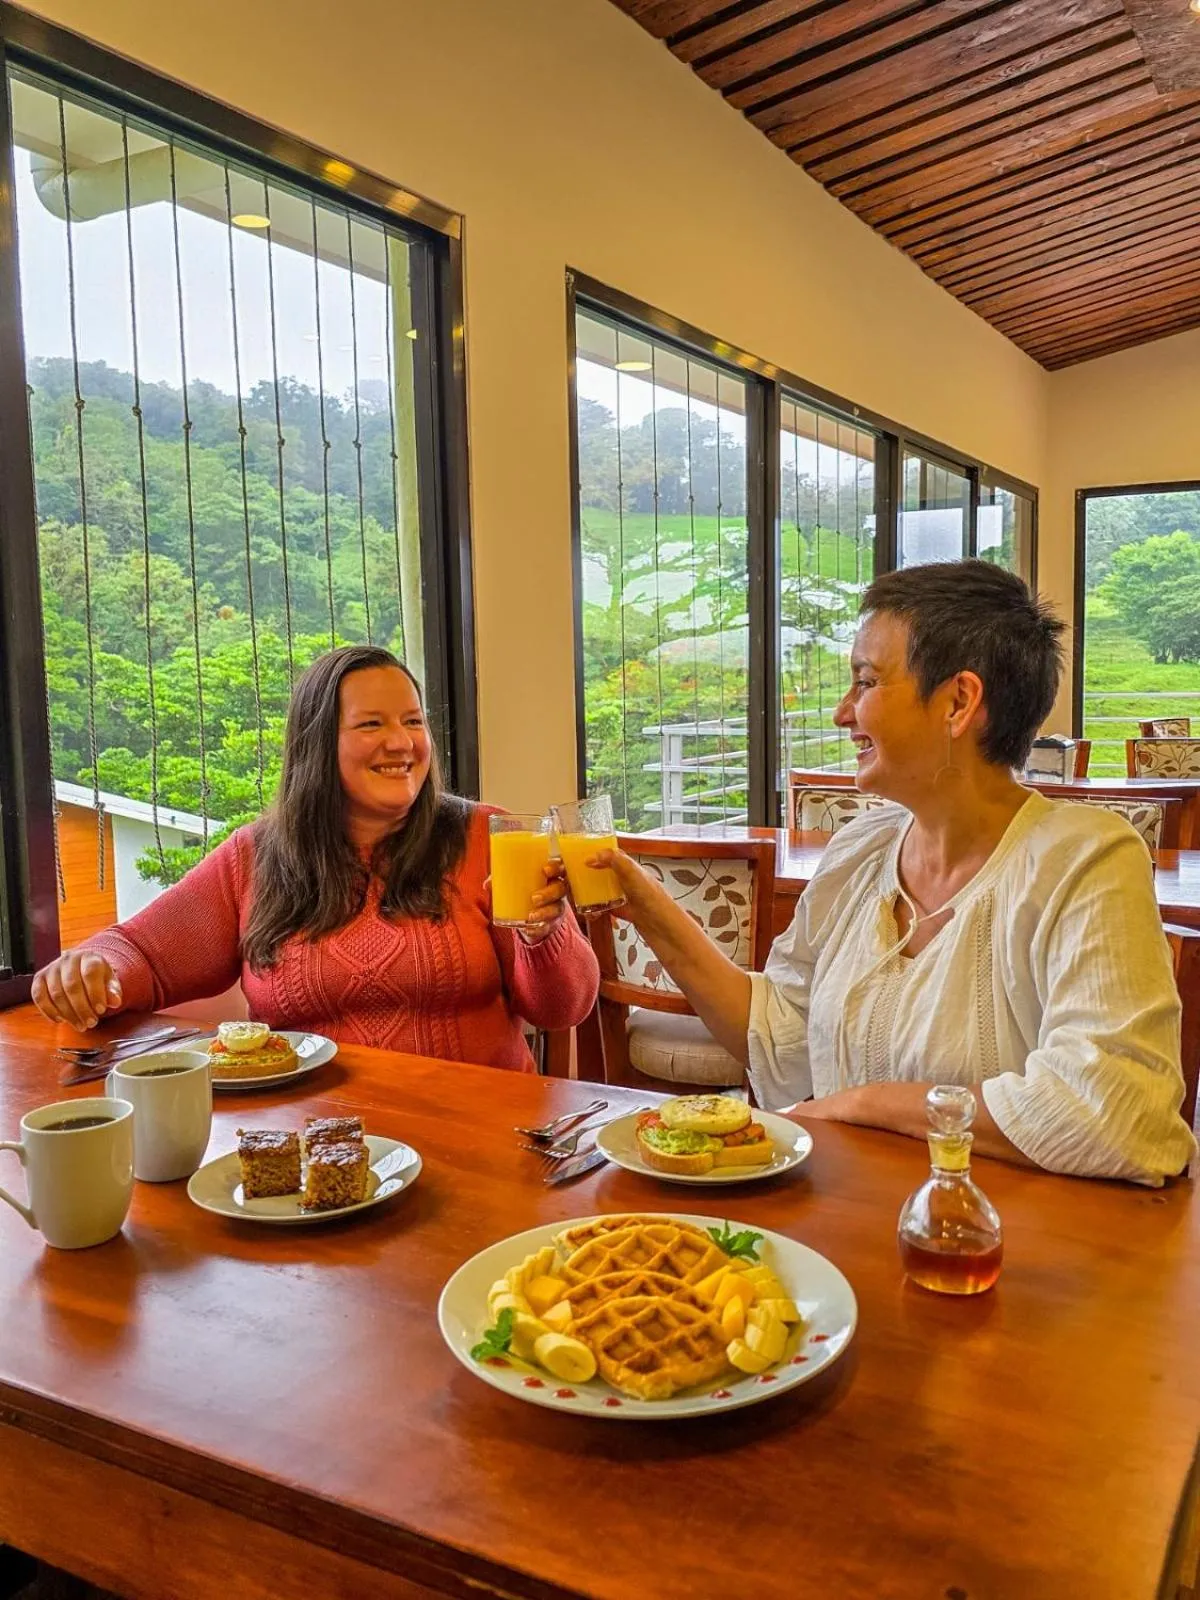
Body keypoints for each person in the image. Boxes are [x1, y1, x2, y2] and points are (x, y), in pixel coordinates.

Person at [596, 561, 1195, 1185]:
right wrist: (643, 903)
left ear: (958, 702)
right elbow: (775, 1032)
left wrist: (866, 1104)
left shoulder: (1083, 860)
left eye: (865, 682)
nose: (841, 712)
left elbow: (1118, 1111)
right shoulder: (861, 849)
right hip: (852, 1217)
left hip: (996, 1233)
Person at [32, 645, 599, 1071]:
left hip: (477, 1130)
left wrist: (543, 935)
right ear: (317, 742)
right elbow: (142, 954)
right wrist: (91, 968)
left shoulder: (486, 835)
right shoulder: (257, 856)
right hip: (311, 1139)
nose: (401, 742)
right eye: (371, 724)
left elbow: (564, 1009)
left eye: (413, 721)